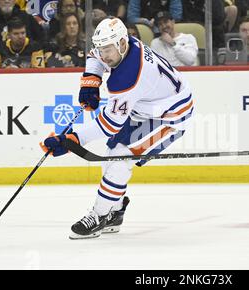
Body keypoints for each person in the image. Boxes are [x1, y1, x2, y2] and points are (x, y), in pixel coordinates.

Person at [40, 17, 194, 239]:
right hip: (146, 107)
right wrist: (91, 81)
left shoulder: (128, 77)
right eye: (102, 49)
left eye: (108, 50)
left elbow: (110, 125)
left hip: (171, 116)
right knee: (111, 155)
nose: (104, 55)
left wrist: (72, 139)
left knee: (121, 157)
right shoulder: (122, 44)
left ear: (122, 44)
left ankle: (100, 215)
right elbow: (95, 55)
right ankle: (115, 211)